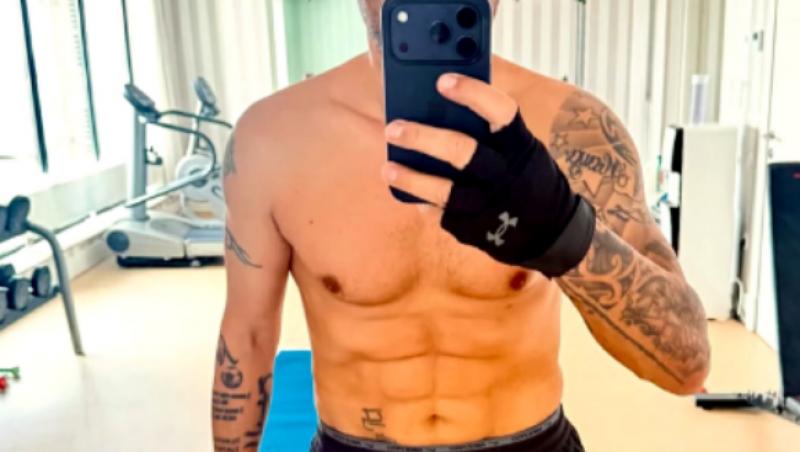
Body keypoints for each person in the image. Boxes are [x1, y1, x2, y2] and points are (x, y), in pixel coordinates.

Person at [211, 1, 711, 450]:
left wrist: (563, 232)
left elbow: (686, 366)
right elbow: (248, 337)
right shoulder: (272, 137)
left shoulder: (573, 128)